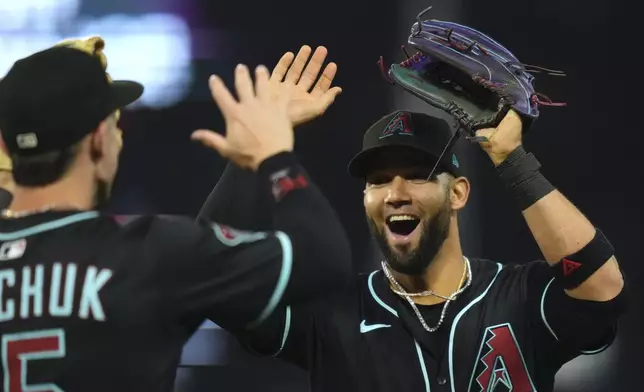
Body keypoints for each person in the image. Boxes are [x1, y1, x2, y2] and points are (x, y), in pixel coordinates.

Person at [200, 50, 629, 391]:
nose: (396, 193)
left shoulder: (518, 297)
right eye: (379, 181)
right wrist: (256, 154)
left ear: (457, 193)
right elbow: (211, 278)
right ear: (366, 199)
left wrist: (511, 160)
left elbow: (602, 289)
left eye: (419, 176)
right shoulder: (332, 314)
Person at [0, 38, 352, 391]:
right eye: (114, 122)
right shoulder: (150, 252)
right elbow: (323, 256)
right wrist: (272, 155)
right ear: (98, 139)